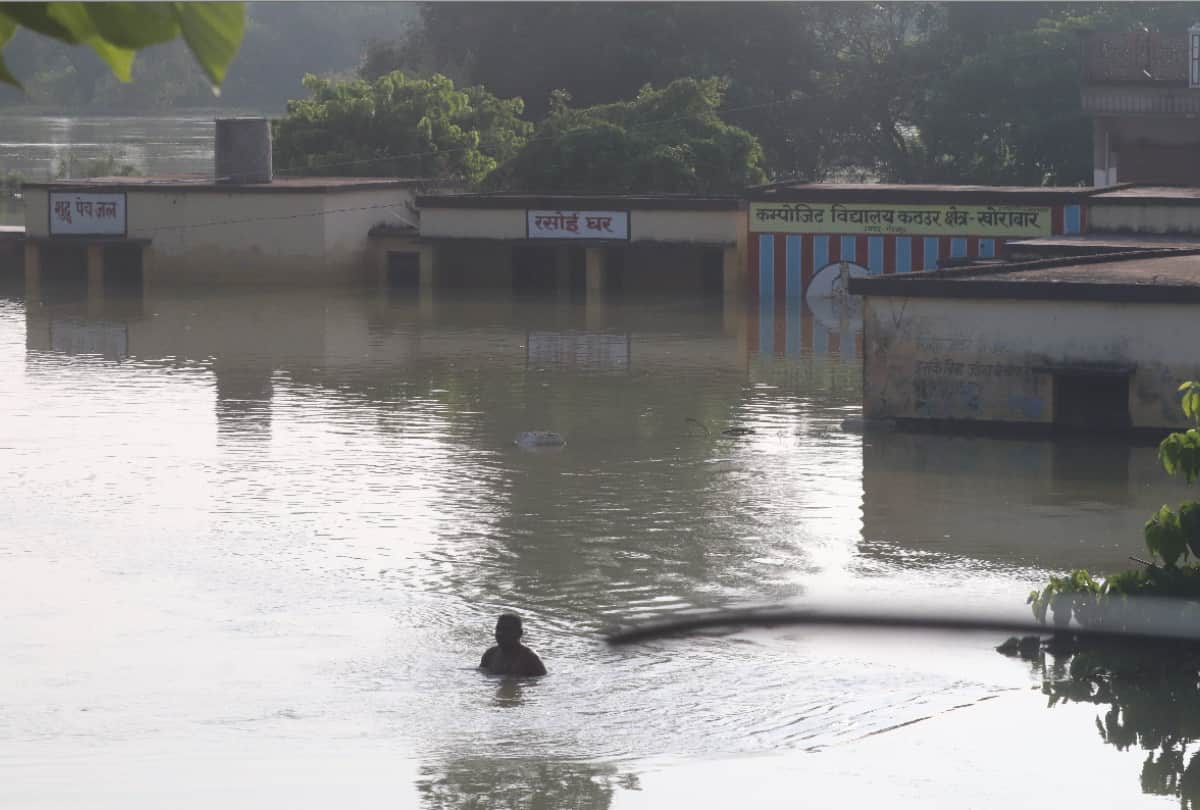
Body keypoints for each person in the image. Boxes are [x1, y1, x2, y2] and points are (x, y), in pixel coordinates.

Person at [479, 613, 547, 677]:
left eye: (506, 630)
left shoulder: (531, 659)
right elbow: (481, 675)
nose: (500, 634)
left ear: (519, 633)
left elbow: (540, 683)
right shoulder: (490, 654)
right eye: (498, 629)